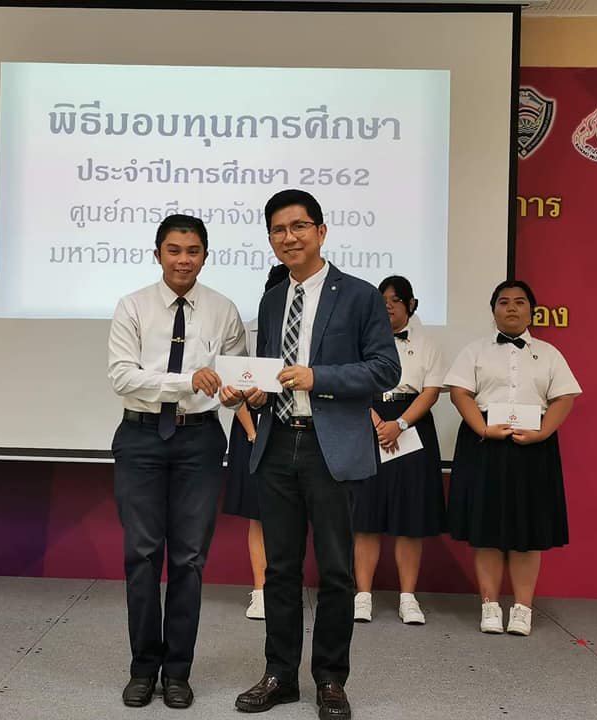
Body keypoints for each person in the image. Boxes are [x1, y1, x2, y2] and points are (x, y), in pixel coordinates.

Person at [231, 189, 400, 720]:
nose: (290, 237)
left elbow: (385, 369)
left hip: (332, 448)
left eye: (299, 226)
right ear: (270, 239)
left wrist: (317, 377)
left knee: (335, 571)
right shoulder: (271, 299)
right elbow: (269, 371)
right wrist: (256, 393)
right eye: (279, 230)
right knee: (279, 569)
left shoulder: (360, 295)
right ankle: (279, 675)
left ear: (321, 232)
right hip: (277, 441)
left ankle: (330, 679)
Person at [108, 214, 247, 709]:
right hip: (141, 438)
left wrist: (239, 391)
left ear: (205, 256)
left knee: (189, 559)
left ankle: (178, 673)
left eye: (192, 251)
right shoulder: (133, 306)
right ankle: (143, 668)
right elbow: (123, 377)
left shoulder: (223, 310)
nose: (183, 260)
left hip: (199, 441)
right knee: (142, 556)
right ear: (158, 254)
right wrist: (187, 381)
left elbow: (234, 380)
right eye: (173, 250)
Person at [445, 280, 581, 636]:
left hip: (533, 445)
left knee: (528, 530)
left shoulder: (549, 353)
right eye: (503, 302)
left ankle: (522, 608)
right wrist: (482, 428)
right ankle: (490, 604)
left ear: (531, 310)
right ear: (493, 310)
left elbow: (564, 397)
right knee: (486, 529)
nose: (511, 308)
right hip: (484, 443)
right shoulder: (474, 351)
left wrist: (543, 432)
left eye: (520, 302)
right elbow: (459, 393)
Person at [352, 276, 446, 625]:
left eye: (395, 300)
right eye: (382, 300)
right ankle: (363, 595)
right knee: (365, 514)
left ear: (411, 305)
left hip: (412, 424)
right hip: (367, 419)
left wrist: (400, 424)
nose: (388, 306)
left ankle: (408, 597)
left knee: (410, 518)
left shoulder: (428, 344)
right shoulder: (361, 340)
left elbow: (431, 392)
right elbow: (354, 383)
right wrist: (376, 420)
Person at [224, 263, 291, 621]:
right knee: (258, 515)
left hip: (293, 429)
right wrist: (252, 433)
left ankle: (286, 589)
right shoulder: (248, 330)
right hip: (251, 427)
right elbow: (234, 388)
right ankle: (260, 590)